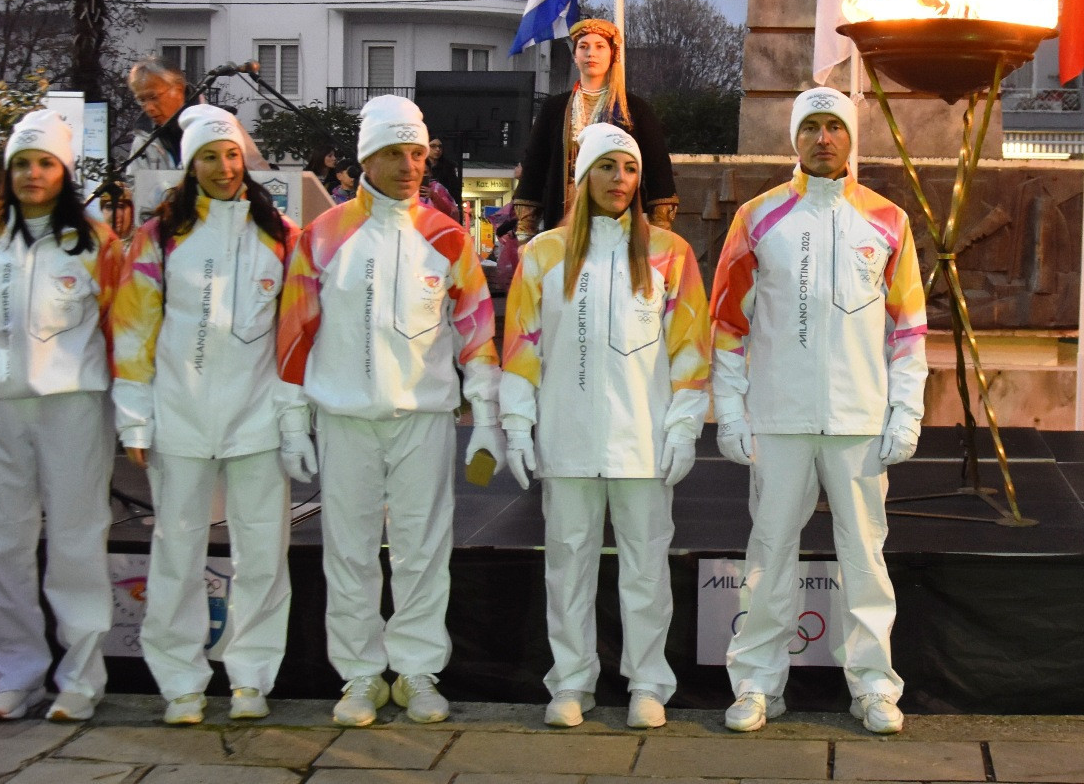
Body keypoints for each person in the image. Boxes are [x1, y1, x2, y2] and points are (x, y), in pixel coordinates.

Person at [277, 95, 505, 727]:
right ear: (367, 158)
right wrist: (293, 418)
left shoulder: (448, 237)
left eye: (416, 153)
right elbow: (295, 332)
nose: (409, 166)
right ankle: (358, 676)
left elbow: (478, 332)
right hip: (345, 418)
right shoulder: (322, 237)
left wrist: (485, 417)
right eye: (394, 154)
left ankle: (416, 671)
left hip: (423, 418)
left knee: (422, 549)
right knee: (348, 550)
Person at [710, 87, 928, 736]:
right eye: (813, 127)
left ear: (851, 135)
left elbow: (910, 327)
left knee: (865, 557)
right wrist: (731, 409)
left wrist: (904, 411)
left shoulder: (887, 220)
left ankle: (873, 686)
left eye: (835, 126)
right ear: (796, 137)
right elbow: (727, 321)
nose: (824, 138)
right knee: (769, 554)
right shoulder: (758, 217)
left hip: (859, 420)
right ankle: (756, 682)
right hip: (779, 419)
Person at [500, 123, 711, 730]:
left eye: (628, 169)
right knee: (567, 565)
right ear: (583, 176)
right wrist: (517, 423)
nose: (619, 181)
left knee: (645, 568)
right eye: (606, 168)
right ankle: (571, 682)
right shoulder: (543, 254)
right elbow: (522, 347)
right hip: (567, 439)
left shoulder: (670, 252)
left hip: (642, 442)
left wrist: (683, 426)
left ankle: (648, 681)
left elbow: (689, 350)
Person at [112, 105, 305, 725]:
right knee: (176, 553)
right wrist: (136, 418)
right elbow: (133, 330)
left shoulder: (281, 233)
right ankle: (180, 682)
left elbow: (298, 332)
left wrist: (292, 414)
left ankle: (250, 679)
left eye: (230, 155)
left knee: (262, 555)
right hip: (181, 417)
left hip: (257, 419)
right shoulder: (159, 237)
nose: (223, 168)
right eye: (208, 157)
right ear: (188, 164)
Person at [0, 110, 124, 722]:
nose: (33, 174)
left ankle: (81, 677)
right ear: (9, 172)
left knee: (78, 540)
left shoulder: (96, 244)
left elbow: (116, 328)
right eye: (23, 164)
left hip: (73, 406)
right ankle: (14, 674)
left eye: (45, 163)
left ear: (64, 173)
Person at [516, 18, 677, 238]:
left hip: (621, 228)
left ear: (612, 55)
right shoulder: (554, 109)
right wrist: (525, 234)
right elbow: (534, 170)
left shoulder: (635, 110)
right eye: (583, 47)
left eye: (600, 46)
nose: (591, 53)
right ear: (575, 56)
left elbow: (658, 171)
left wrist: (661, 232)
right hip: (563, 225)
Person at [126, 57, 269, 173]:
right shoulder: (143, 139)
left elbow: (260, 177)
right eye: (142, 100)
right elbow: (136, 191)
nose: (148, 107)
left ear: (178, 90)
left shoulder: (221, 123)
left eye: (153, 97)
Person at [425, 136, 464, 216]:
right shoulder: (418, 165)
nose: (437, 149)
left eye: (440, 146)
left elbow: (454, 193)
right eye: (433, 146)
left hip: (443, 212)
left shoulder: (448, 168)